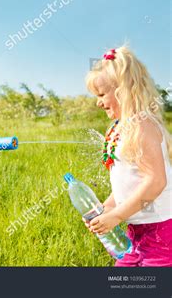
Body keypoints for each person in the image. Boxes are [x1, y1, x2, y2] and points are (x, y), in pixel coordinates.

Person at [85, 46, 172, 266]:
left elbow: (156, 181)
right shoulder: (117, 128)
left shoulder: (142, 126)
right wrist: (107, 209)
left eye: (102, 94)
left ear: (123, 90)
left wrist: (117, 216)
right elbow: (127, 184)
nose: (98, 102)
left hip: (161, 231)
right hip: (136, 231)